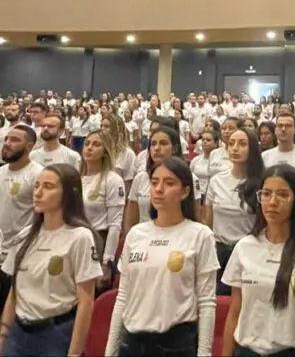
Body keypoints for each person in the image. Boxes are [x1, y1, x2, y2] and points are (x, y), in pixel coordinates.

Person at [105, 157, 219, 357]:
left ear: (185, 192)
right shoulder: (136, 234)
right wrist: (111, 350)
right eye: (155, 182)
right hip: (133, 340)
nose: (158, 189)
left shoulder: (200, 235)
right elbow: (123, 296)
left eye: (169, 183)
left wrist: (204, 353)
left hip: (176, 342)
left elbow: (207, 301)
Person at [221, 164, 295, 357]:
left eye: (282, 195)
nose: (272, 202)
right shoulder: (244, 247)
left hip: (292, 351)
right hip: (247, 350)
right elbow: (234, 312)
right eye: (266, 194)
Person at [0, 164, 103, 356]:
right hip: (18, 332)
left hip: (55, 332)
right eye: (37, 186)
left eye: (48, 187)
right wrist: (4, 332)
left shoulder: (80, 237)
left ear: (68, 194)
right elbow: (15, 290)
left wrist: (74, 352)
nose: (38, 192)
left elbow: (86, 302)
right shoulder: (24, 236)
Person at [205, 129, 263, 295]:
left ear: (252, 149)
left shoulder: (262, 181)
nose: (235, 148)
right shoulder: (217, 181)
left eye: (242, 144)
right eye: (231, 144)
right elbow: (208, 221)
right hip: (219, 252)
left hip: (249, 252)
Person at [0, 125, 43, 312]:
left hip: (20, 255)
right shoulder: (1, 172)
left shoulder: (38, 174)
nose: (7, 143)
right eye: (7, 139)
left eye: (15, 140)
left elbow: (43, 216)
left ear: (30, 146)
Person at [125, 127, 200, 234]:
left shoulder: (189, 177)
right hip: (144, 239)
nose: (157, 148)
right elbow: (131, 218)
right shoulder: (141, 178)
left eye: (163, 143)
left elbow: (195, 215)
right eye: (153, 144)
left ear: (174, 148)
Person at [79, 130, 126, 290]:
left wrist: (106, 262)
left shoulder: (112, 180)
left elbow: (115, 225)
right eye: (87, 144)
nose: (89, 148)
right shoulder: (76, 177)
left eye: (96, 144)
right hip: (76, 240)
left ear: (105, 151)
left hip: (98, 241)